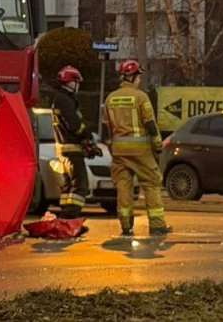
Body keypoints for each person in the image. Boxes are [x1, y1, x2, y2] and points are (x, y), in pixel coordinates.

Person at [102, 60, 171, 237]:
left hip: (119, 151)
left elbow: (106, 128)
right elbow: (150, 124)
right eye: (139, 76)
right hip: (139, 150)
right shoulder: (141, 97)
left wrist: (111, 147)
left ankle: (126, 225)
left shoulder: (110, 98)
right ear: (132, 77)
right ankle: (157, 225)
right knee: (151, 182)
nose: (139, 79)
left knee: (123, 186)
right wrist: (157, 146)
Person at [50, 65, 99, 220]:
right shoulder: (65, 100)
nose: (78, 86)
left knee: (69, 186)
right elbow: (74, 125)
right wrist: (87, 136)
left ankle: (65, 217)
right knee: (80, 186)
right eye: (77, 82)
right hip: (71, 150)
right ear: (71, 82)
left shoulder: (61, 99)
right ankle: (71, 218)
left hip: (64, 150)